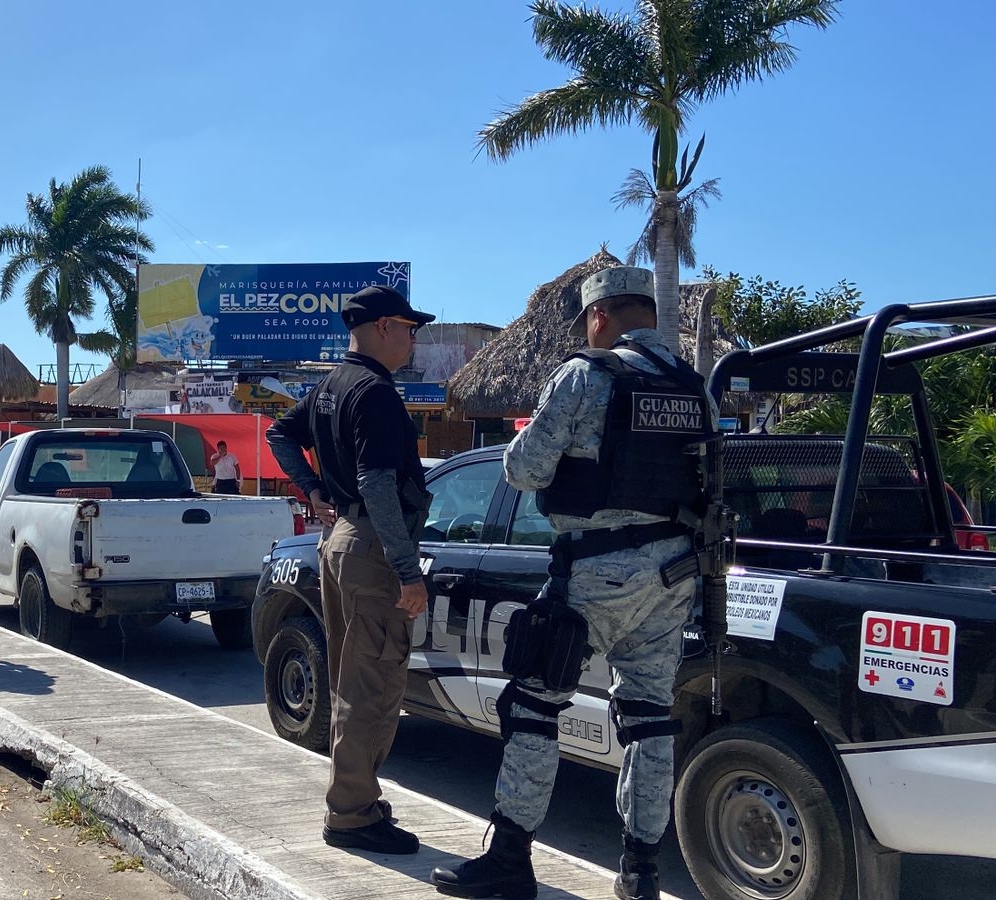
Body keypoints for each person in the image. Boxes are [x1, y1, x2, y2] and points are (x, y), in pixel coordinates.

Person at [431, 267, 713, 900]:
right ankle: (640, 869)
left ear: (599, 317)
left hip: (597, 571)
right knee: (648, 718)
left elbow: (525, 471)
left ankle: (509, 858)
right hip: (673, 574)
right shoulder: (694, 388)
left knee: (532, 702)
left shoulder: (588, 374)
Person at [266, 284, 435, 856]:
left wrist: (313, 490)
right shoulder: (375, 392)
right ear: (384, 327)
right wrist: (408, 571)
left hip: (341, 542)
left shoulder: (332, 387)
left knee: (350, 681)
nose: (414, 339)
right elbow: (378, 484)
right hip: (372, 549)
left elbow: (278, 433)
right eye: (410, 328)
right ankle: (353, 815)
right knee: (372, 687)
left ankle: (356, 800)